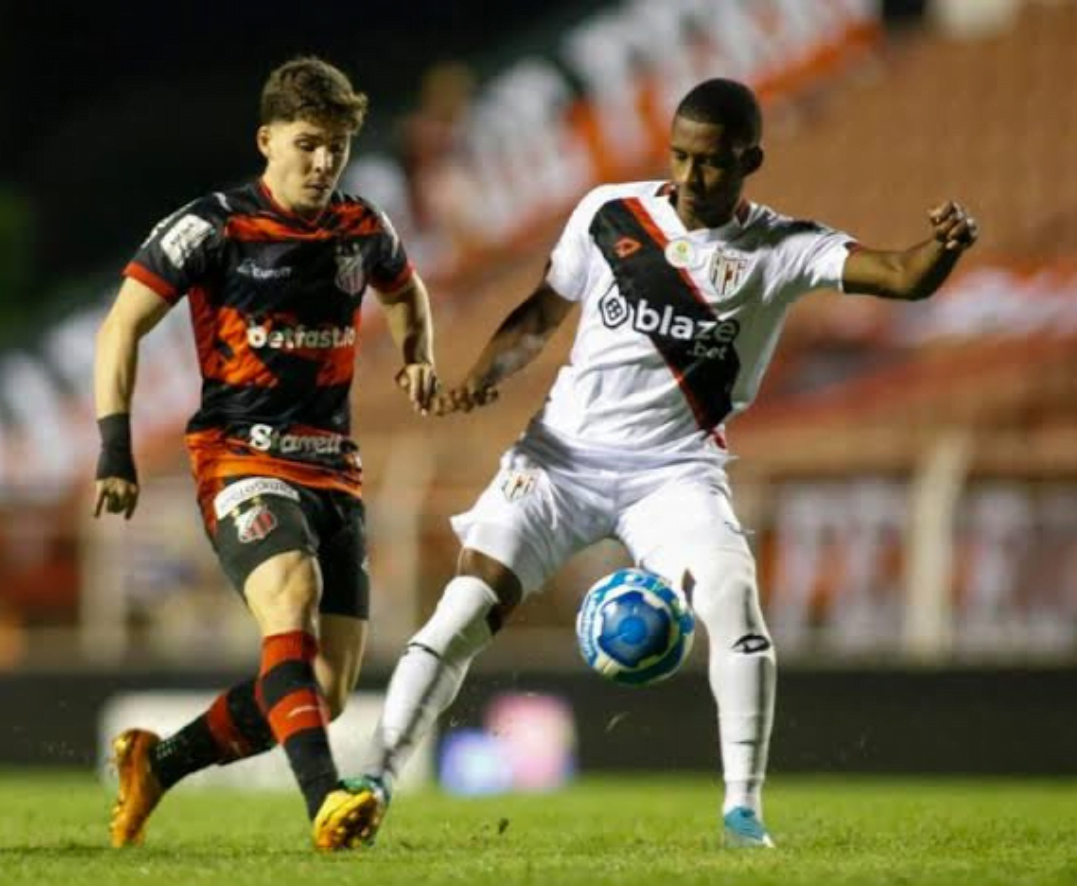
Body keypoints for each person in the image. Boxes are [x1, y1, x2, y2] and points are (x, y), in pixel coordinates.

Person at [343, 77, 979, 849]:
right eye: (678, 155)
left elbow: (901, 275)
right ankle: (372, 783)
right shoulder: (610, 213)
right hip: (560, 460)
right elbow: (543, 313)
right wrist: (482, 376)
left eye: (710, 162)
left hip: (673, 474)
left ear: (751, 160)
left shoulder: (779, 248)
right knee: (464, 609)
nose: (688, 176)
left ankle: (742, 811)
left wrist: (942, 249)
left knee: (734, 606)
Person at [91, 56, 440, 852]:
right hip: (239, 455)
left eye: (339, 148)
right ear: (267, 139)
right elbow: (121, 324)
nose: (324, 164)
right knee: (292, 593)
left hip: (333, 467)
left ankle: (159, 763)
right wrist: (116, 448)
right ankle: (325, 801)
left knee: (325, 688)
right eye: (309, 144)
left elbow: (405, 291)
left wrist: (418, 355)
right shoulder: (213, 227)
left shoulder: (362, 226)